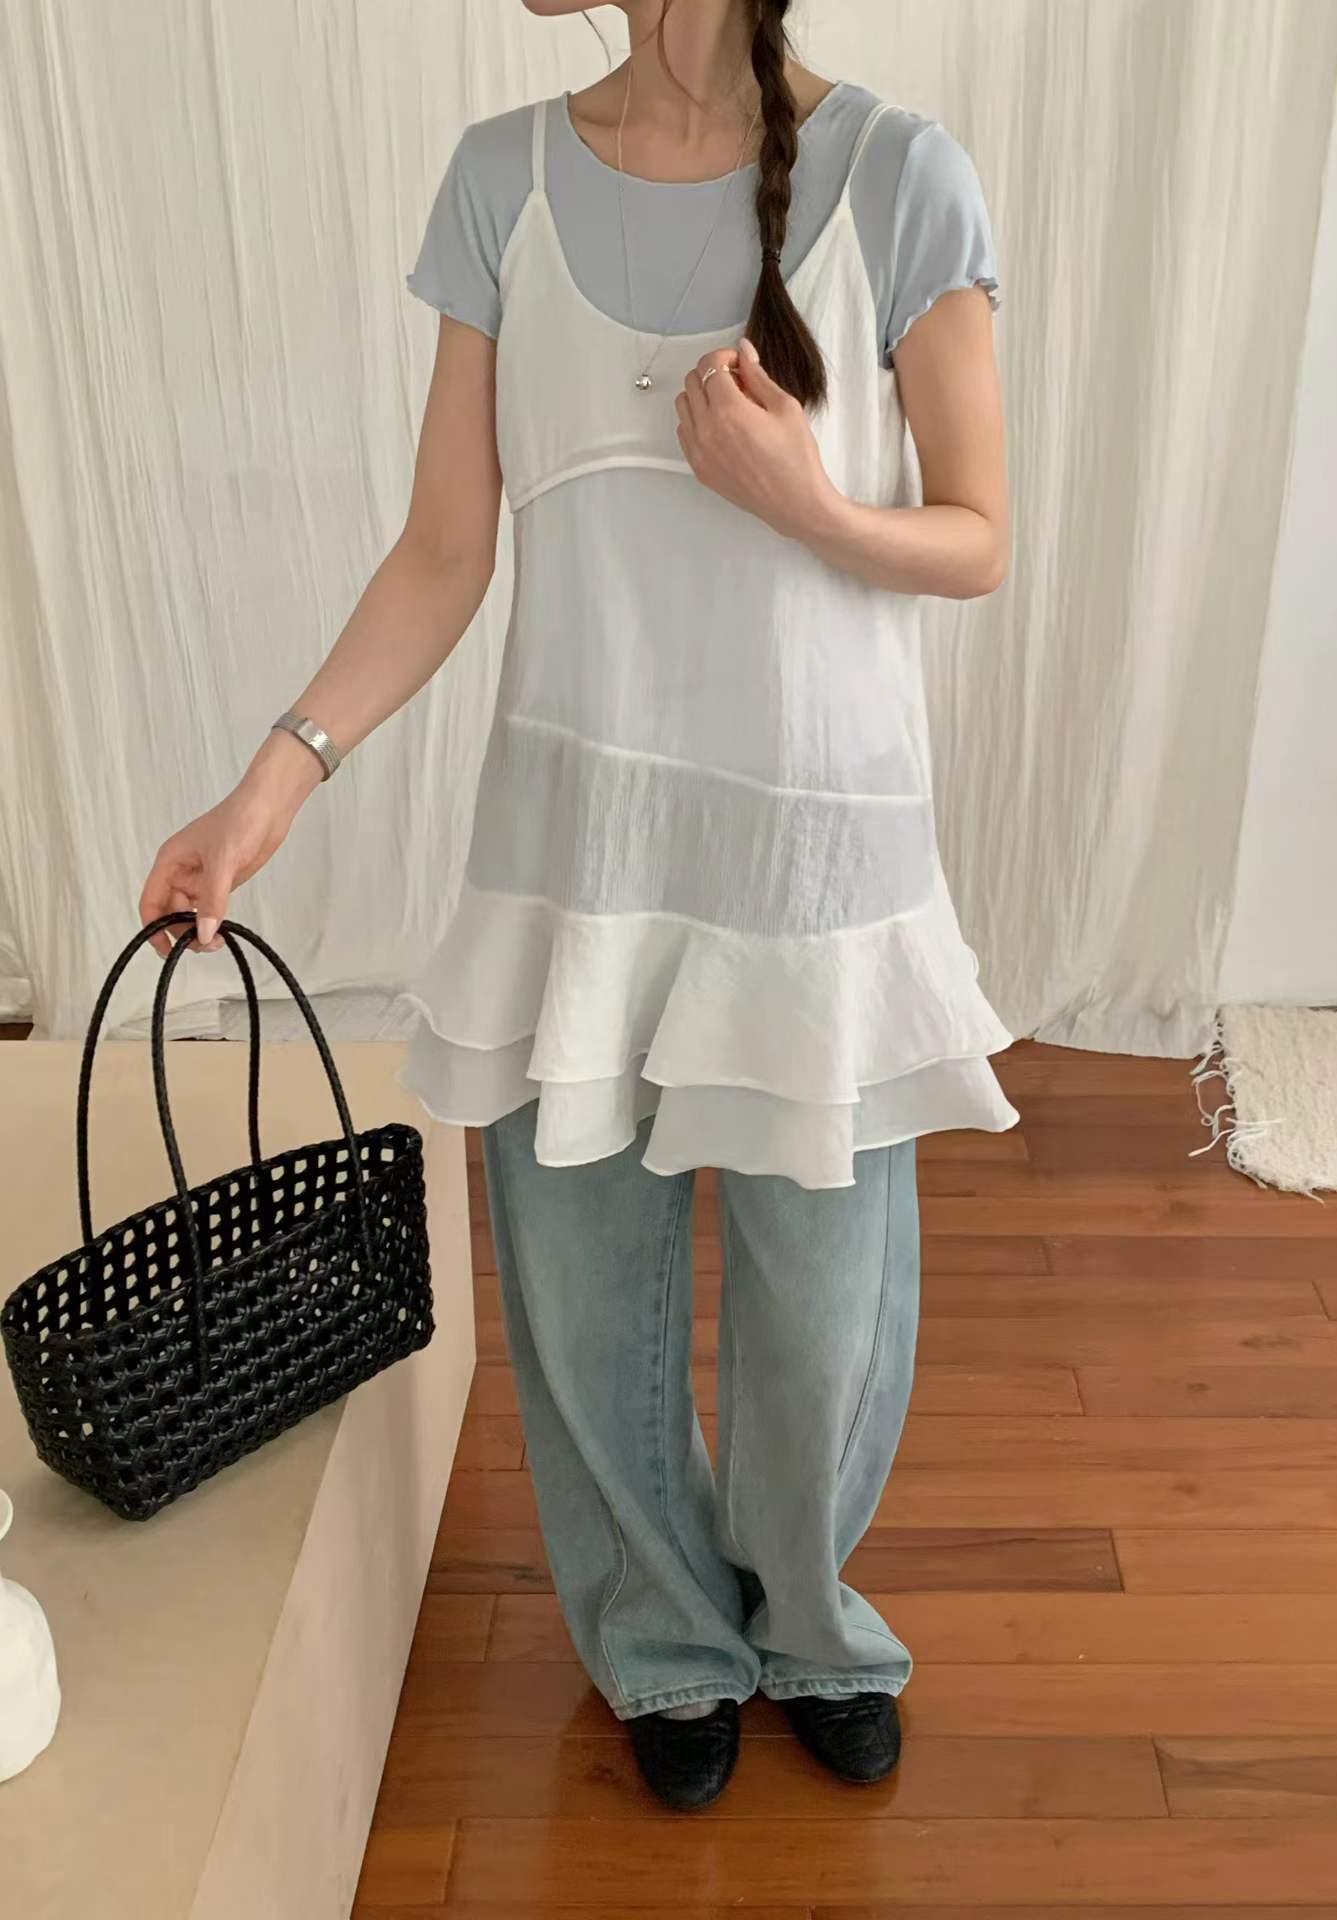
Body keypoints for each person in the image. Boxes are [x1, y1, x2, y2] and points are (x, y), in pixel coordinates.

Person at [139, 0, 1016, 1812]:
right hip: (576, 862)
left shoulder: (901, 176)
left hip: (810, 868)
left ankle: (808, 1623)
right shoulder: (502, 184)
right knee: (583, 1292)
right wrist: (267, 790)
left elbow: (981, 535)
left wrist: (805, 502)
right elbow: (444, 548)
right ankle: (664, 1640)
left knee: (824, 1311)